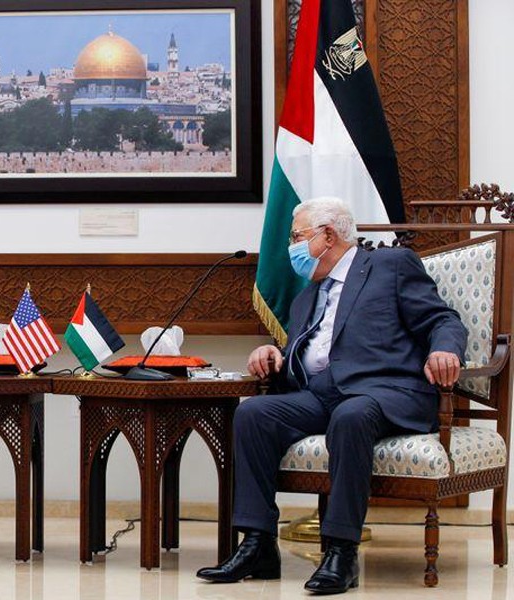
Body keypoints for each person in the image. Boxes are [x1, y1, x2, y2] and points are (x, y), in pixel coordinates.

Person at [196, 197, 466, 594]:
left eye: (297, 236)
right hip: (322, 394)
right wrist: (276, 355)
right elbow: (309, 352)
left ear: (327, 235)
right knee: (254, 414)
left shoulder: (389, 265)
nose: (292, 247)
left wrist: (446, 350)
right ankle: (257, 544)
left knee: (352, 414)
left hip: (385, 391)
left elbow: (442, 318)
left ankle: (340, 551)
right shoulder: (307, 295)